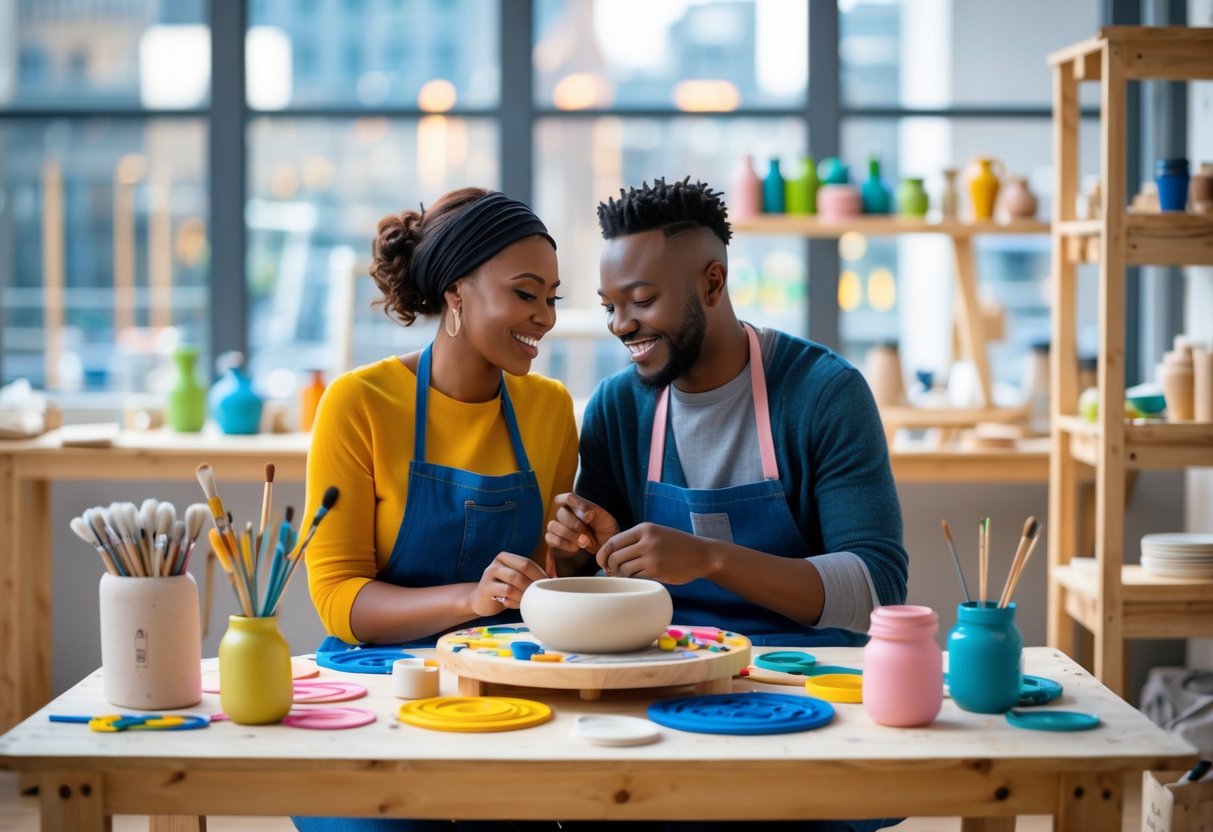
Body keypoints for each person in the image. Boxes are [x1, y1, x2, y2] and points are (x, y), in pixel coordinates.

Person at [545, 178, 907, 832]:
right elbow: (598, 585)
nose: (620, 325)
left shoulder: (825, 394)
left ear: (711, 284)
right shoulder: (617, 407)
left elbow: (877, 589)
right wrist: (579, 554)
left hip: (804, 688)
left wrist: (708, 558)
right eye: (609, 306)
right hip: (665, 683)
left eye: (642, 300)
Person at [295, 188, 577, 832]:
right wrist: (471, 601)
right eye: (526, 294)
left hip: (500, 687)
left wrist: (573, 556)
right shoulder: (357, 403)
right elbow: (338, 598)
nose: (546, 317)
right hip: (371, 686)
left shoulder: (551, 408)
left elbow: (543, 583)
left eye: (552, 298)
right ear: (456, 292)